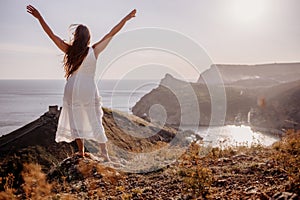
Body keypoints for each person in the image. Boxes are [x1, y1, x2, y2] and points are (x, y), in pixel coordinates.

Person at [26, 5, 136, 160]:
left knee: (75, 117)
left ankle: (82, 152)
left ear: (76, 36)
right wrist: (125, 19)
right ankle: (104, 154)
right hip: (88, 88)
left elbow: (52, 35)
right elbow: (111, 33)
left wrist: (39, 18)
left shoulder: (70, 51)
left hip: (72, 88)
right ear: (88, 37)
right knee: (95, 118)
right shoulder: (94, 50)